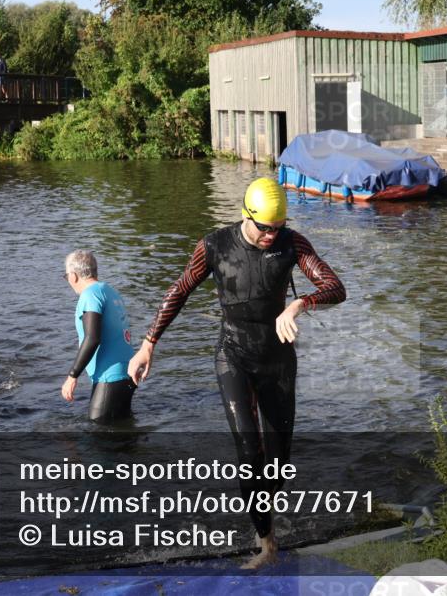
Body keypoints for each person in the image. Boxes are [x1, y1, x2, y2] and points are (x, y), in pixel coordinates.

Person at [129, 177, 346, 569]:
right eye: (264, 227)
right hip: (233, 356)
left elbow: (335, 286)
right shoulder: (214, 245)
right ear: (247, 215)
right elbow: (180, 290)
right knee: (249, 453)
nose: (270, 235)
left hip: (277, 361)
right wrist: (148, 344)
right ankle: (267, 542)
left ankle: (267, 514)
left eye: (277, 227)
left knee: (278, 467)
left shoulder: (292, 243)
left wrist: (299, 304)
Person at [61, 250, 137, 424]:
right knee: (123, 432)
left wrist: (72, 377)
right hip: (127, 372)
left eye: (66, 277)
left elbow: (92, 338)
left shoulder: (90, 295)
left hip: (109, 376)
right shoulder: (110, 291)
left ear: (73, 276)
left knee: (99, 435)